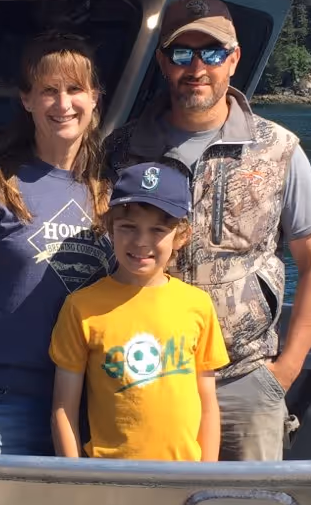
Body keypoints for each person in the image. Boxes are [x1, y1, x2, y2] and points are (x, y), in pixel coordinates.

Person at [104, 0, 311, 461]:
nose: (197, 68)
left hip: (244, 380)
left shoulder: (278, 149)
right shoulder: (121, 149)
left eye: (211, 53)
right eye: (182, 53)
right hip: (142, 375)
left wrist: (284, 372)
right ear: (162, 62)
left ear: (234, 59)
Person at [0, 31, 112, 455]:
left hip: (87, 407)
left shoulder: (113, 193)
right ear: (26, 100)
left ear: (95, 97)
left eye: (75, 89)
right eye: (49, 91)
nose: (63, 105)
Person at [49, 161, 228, 461]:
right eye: (128, 227)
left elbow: (207, 403)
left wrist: (205, 479)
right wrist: (76, 482)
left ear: (181, 236)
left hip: (184, 479)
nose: (141, 242)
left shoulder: (197, 305)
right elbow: (64, 408)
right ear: (109, 229)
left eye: (158, 230)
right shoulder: (81, 308)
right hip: (110, 479)